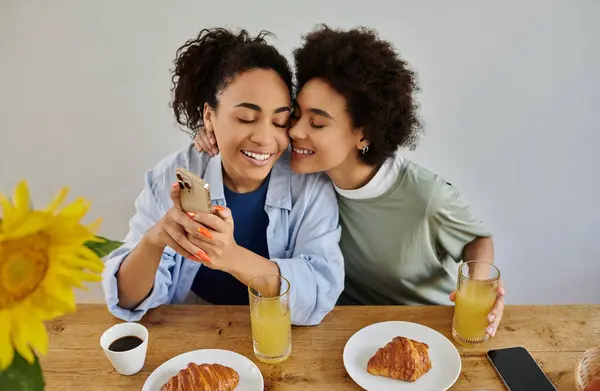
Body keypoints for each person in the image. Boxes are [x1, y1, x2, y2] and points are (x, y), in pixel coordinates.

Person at [194, 25, 505, 337]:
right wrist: (211, 132)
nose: (294, 131)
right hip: (341, 329)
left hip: (426, 329)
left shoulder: (425, 196)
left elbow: (476, 239)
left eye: (316, 123)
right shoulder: (307, 172)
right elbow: (250, 132)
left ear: (364, 134)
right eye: (294, 116)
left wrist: (478, 287)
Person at [102, 28, 344, 326]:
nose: (265, 138)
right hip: (194, 326)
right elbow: (125, 301)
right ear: (208, 117)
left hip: (278, 330)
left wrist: (231, 257)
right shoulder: (173, 175)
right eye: (245, 118)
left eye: (280, 121)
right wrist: (155, 240)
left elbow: (320, 292)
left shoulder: (309, 184)